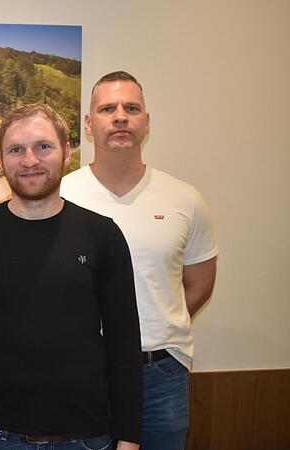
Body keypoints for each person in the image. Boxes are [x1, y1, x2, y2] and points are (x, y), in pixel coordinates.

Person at [0, 104, 143, 450]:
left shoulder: (102, 235)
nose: (30, 160)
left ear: (65, 152)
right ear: (1, 159)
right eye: (16, 149)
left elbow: (124, 342)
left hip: (87, 438)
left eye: (43, 147)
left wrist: (128, 439)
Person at [61, 71, 219, 449]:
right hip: (82, 373)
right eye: (107, 108)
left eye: (131, 108)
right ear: (88, 123)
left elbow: (199, 285)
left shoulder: (185, 198)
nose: (120, 117)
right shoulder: (62, 195)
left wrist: (153, 329)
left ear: (146, 123)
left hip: (160, 375)